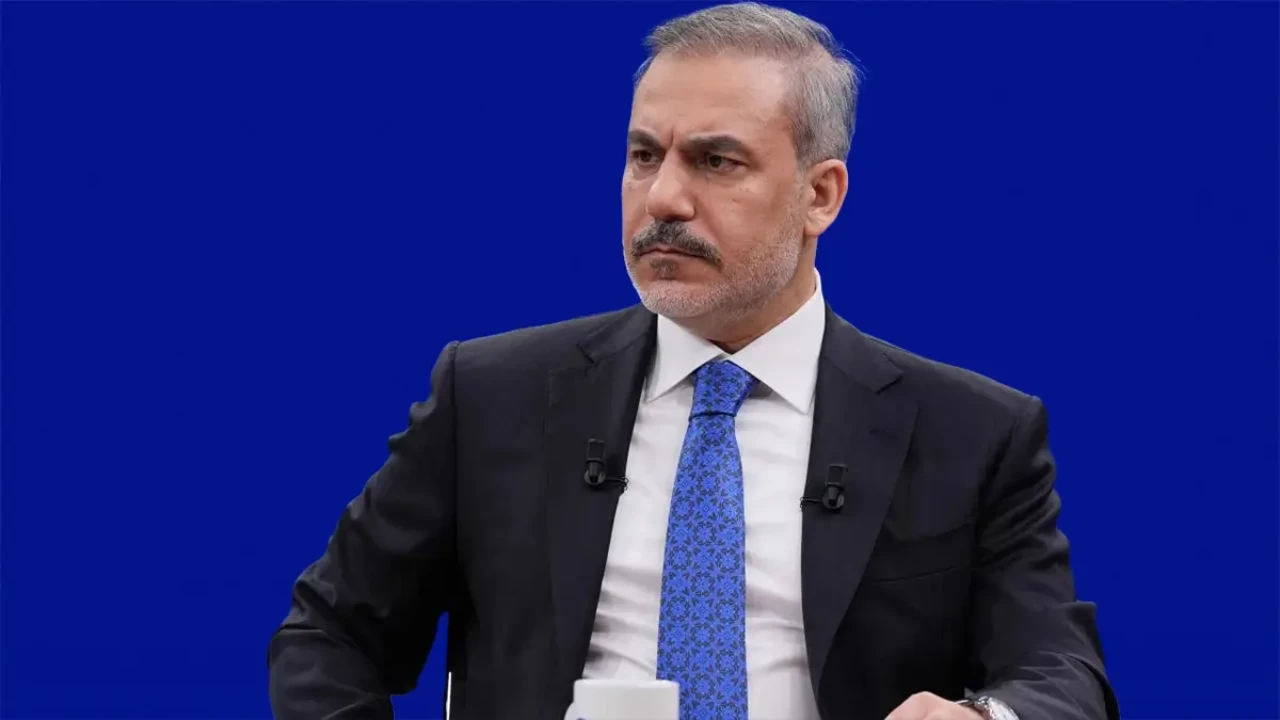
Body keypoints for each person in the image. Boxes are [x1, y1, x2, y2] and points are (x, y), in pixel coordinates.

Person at [267, 4, 1119, 719]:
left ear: (820, 194)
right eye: (645, 156)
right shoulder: (491, 396)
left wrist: (987, 718)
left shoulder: (975, 433)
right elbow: (328, 636)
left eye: (717, 161)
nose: (664, 198)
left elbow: (1064, 675)